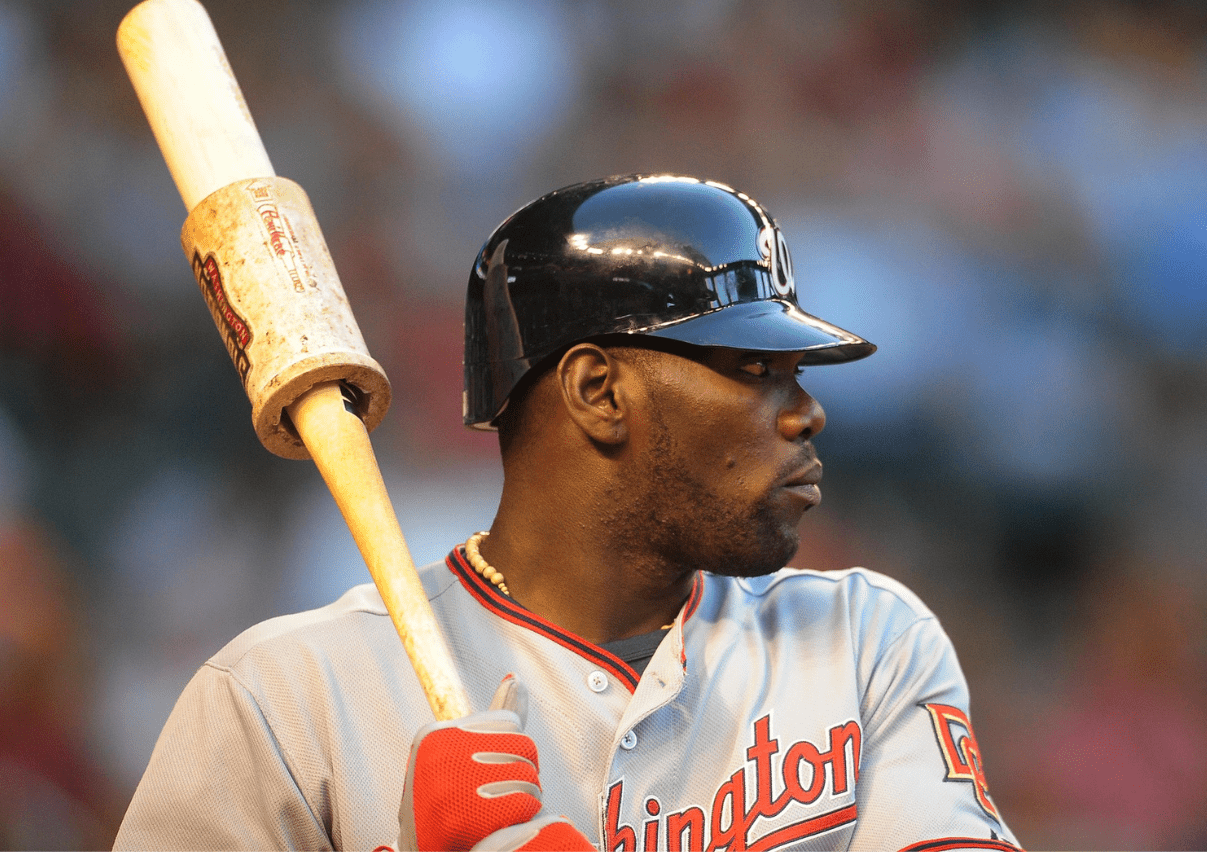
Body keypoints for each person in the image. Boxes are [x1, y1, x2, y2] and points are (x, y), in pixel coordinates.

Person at [114, 174, 1019, 851]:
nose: (807, 412)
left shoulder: (863, 642)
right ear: (598, 391)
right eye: (755, 369)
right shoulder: (287, 698)